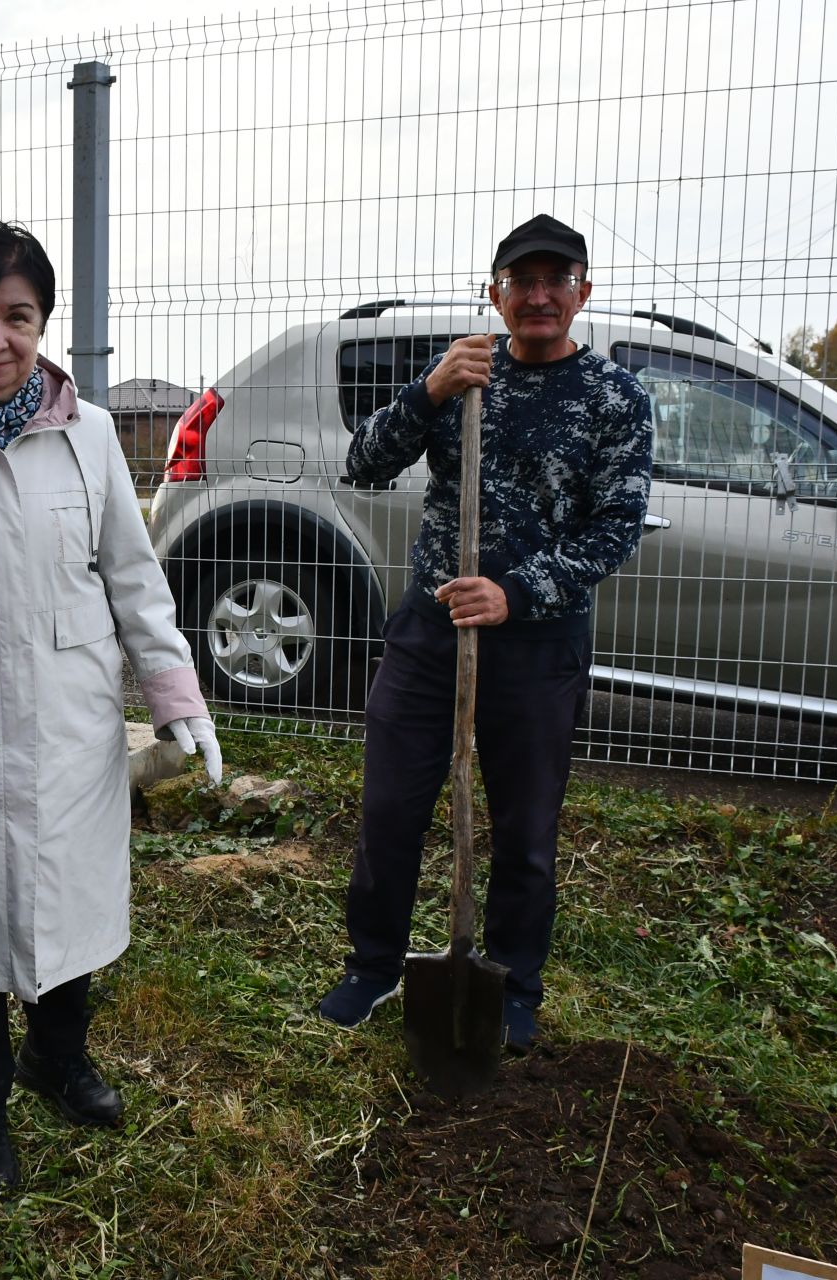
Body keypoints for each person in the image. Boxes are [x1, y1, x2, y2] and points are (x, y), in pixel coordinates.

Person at [0, 220, 224, 1189]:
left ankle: (60, 1056)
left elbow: (134, 579)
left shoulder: (88, 432)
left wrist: (174, 692)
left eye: (17, 315)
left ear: (42, 323)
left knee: (70, 904)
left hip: (71, 722)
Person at [318, 215, 654, 1052]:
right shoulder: (463, 376)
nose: (538, 295)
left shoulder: (615, 398)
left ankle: (512, 985)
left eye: (556, 279)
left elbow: (617, 525)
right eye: (521, 280)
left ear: (583, 290)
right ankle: (372, 967)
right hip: (430, 634)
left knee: (526, 828)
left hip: (538, 646)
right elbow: (362, 464)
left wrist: (516, 592)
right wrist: (426, 390)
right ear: (495, 291)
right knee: (391, 807)